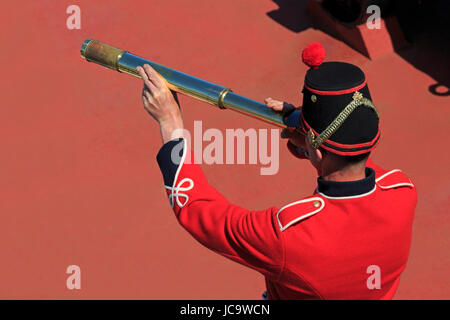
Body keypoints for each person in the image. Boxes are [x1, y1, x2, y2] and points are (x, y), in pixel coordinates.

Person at [135, 42, 417, 299]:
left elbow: (197, 210)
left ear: (317, 149)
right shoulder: (403, 192)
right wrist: (307, 136)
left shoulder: (288, 236)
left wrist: (170, 122)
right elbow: (346, 169)